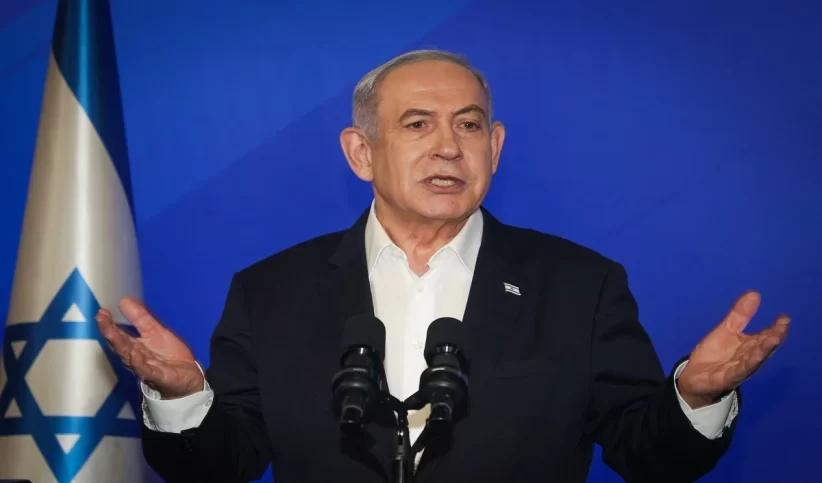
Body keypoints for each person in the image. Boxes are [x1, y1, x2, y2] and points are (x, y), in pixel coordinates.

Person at [97, 49, 790, 483]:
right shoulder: (271, 291)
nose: (449, 146)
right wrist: (182, 398)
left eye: (468, 124)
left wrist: (695, 397)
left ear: (495, 146)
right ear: (361, 153)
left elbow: (650, 456)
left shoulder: (580, 285)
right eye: (417, 124)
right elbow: (222, 464)